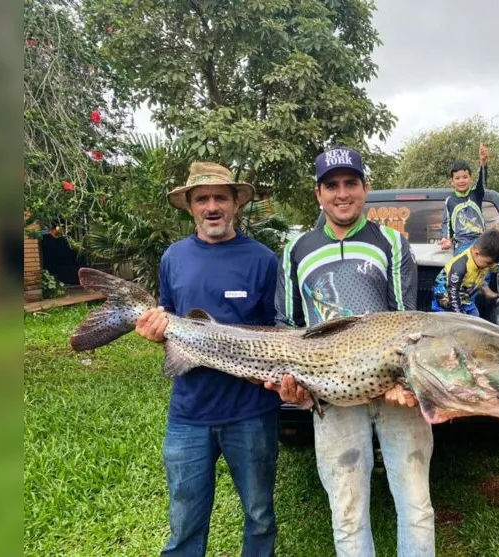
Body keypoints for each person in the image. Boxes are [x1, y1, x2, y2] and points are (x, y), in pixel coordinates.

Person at [270, 147, 435, 557]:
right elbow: (287, 326)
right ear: (318, 194)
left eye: (351, 183)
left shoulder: (393, 244)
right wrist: (294, 385)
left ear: (365, 189)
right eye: (332, 185)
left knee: (415, 505)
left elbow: (405, 323)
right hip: (332, 398)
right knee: (346, 512)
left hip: (396, 396)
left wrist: (408, 382)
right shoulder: (296, 250)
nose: (342, 194)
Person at [134, 162, 281, 557]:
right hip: (189, 412)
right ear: (190, 207)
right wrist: (154, 331)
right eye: (202, 198)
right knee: (184, 523)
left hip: (251, 411)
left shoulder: (264, 260)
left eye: (220, 197)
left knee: (260, 515)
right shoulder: (173, 258)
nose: (211, 206)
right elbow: (170, 319)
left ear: (236, 203)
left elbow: (279, 328)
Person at [431, 228, 499, 316]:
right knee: (452, 319)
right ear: (476, 253)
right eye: (488, 263)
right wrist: (459, 316)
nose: (491, 266)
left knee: (474, 316)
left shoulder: (484, 261)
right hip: (446, 296)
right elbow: (453, 292)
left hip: (465, 295)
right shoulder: (460, 266)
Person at [439, 144, 490, 255]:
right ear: (452, 181)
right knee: (464, 268)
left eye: (465, 177)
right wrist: (445, 238)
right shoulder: (450, 201)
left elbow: (482, 180)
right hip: (461, 245)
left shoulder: (476, 194)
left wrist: (483, 163)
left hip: (481, 243)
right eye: (457, 178)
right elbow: (446, 223)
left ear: (470, 179)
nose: (461, 181)